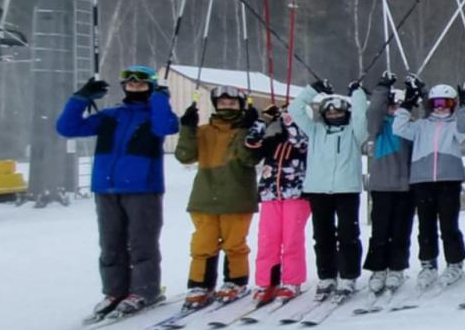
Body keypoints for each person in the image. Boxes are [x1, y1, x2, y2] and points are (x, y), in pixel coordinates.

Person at [55, 65, 180, 315]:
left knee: (142, 242)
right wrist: (81, 98)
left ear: (150, 87)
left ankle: (145, 291)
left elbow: (165, 127)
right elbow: (67, 128)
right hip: (106, 187)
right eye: (131, 84)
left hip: (143, 188)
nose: (135, 88)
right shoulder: (110, 116)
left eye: (141, 85)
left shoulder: (156, 113)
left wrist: (160, 99)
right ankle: (114, 291)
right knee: (110, 243)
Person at [174, 84, 258, 306]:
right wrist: (187, 129)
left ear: (241, 106)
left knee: (234, 244)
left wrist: (246, 129)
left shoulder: (247, 131)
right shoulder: (203, 132)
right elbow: (184, 156)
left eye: (232, 103)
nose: (226, 107)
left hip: (237, 199)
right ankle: (200, 284)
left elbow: (249, 158)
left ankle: (235, 281)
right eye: (222, 103)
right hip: (204, 199)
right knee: (202, 245)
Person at [292, 78, 369, 298]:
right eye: (330, 112)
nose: (334, 115)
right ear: (323, 114)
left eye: (339, 112)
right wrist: (313, 89)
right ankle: (326, 276)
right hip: (318, 190)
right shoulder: (315, 130)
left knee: (348, 234)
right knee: (322, 235)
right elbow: (295, 109)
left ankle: (348, 275)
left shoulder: (355, 133)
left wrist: (357, 94)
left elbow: (360, 116)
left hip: (346, 190)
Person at [392, 78, 465, 289]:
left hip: (449, 180)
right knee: (426, 225)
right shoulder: (420, 126)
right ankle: (428, 263)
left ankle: (455, 262)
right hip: (423, 180)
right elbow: (398, 128)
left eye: (446, 103)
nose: (441, 108)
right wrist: (406, 105)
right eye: (436, 103)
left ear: (452, 105)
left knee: (448, 224)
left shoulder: (454, 125)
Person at [244, 101, 312, 302]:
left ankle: (291, 280)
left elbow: (301, 141)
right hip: (270, 195)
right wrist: (263, 120)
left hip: (296, 195)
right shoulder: (273, 140)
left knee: (291, 239)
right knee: (268, 240)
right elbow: (251, 142)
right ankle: (267, 282)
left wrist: (288, 116)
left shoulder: (307, 139)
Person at [362, 75, 414, 295]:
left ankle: (397, 268)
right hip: (382, 185)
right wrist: (382, 88)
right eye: (391, 106)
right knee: (380, 230)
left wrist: (415, 93)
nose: (394, 110)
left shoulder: (410, 127)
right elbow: (373, 110)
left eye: (398, 106)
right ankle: (378, 269)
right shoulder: (379, 126)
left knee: (401, 229)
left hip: (405, 186)